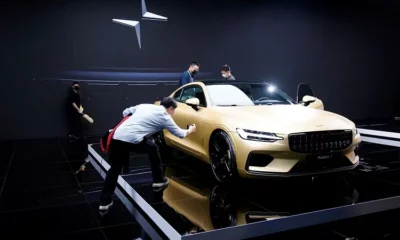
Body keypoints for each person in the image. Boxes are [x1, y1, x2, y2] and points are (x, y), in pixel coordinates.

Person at [99, 97, 197, 212]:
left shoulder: (145, 106)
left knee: (115, 169)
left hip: (117, 136)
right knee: (153, 148)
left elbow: (125, 111)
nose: (174, 113)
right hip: (132, 139)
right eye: (174, 110)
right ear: (170, 108)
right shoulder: (165, 117)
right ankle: (158, 180)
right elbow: (180, 134)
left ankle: (104, 202)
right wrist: (190, 130)